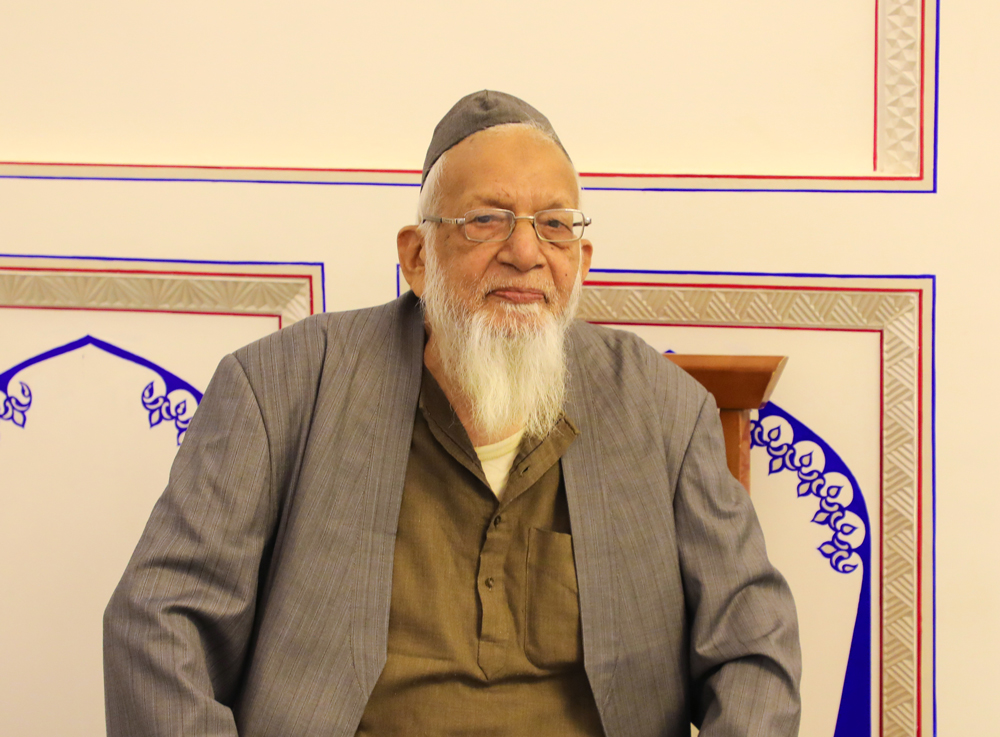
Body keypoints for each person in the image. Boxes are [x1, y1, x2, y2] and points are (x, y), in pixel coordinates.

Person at [104, 90, 801, 736]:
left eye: (554, 226)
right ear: (417, 256)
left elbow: (754, 644)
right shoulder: (280, 389)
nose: (525, 253)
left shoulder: (662, 408)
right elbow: (157, 619)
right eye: (485, 220)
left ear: (580, 259)